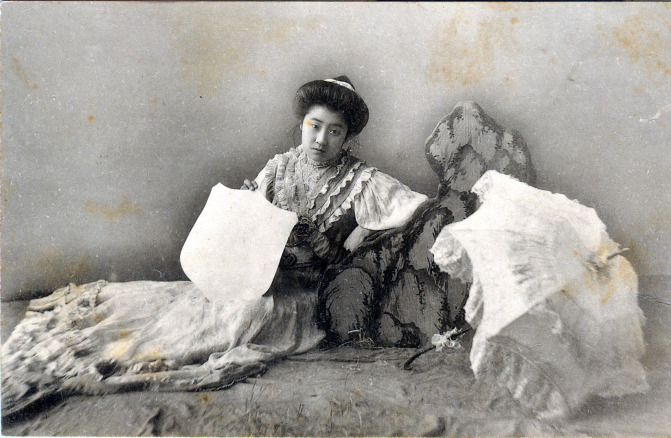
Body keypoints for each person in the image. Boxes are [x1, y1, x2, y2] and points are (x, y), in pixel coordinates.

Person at [1, 75, 428, 416]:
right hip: (256, 275)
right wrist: (247, 205)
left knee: (243, 317)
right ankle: (117, 349)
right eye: (314, 126)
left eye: (334, 132)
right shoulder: (280, 167)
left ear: (347, 137)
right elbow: (243, 232)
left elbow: (418, 209)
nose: (320, 140)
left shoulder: (362, 181)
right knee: (192, 308)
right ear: (301, 124)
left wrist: (361, 233)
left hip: (301, 292)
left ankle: (148, 355)